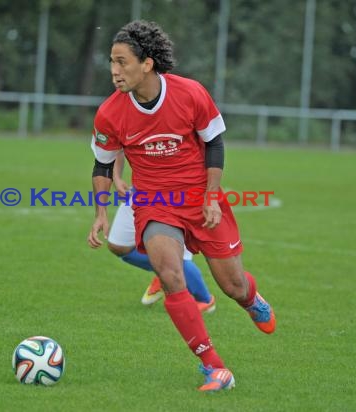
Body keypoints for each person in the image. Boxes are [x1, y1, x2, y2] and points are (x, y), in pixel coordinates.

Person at [87, 20, 275, 392]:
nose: (114, 70)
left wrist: (211, 197)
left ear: (147, 64)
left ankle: (252, 299)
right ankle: (214, 367)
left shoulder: (189, 93)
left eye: (122, 62)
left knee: (233, 285)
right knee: (170, 275)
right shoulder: (110, 113)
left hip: (201, 198)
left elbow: (215, 143)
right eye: (111, 61)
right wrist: (101, 213)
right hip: (155, 203)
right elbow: (103, 163)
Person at [109, 151, 215, 313]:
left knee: (179, 257)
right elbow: (115, 147)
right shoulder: (122, 125)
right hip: (142, 190)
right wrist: (116, 179)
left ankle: (205, 300)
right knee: (118, 245)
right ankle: (166, 270)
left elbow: (210, 146)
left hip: (179, 191)